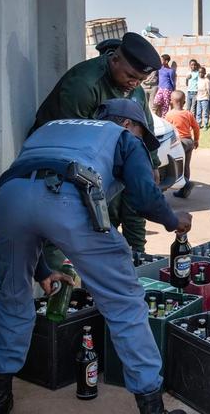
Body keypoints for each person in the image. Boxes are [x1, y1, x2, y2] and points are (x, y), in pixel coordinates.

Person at [0, 98, 191, 414]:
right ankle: (152, 408)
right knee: (124, 303)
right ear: (127, 124)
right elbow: (145, 197)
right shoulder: (122, 137)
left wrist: (41, 272)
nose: (139, 141)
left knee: (13, 296)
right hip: (70, 199)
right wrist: (175, 221)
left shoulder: (53, 127)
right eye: (140, 133)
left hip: (10, 196)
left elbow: (32, 196)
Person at [30, 33, 162, 265]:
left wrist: (150, 164)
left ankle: (132, 265)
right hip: (59, 162)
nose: (134, 83)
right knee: (66, 223)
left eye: (140, 79)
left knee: (127, 210)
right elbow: (69, 144)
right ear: (115, 59)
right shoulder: (84, 85)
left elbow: (145, 128)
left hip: (103, 161)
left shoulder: (135, 89)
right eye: (131, 76)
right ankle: (59, 284)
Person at [165, 90, 200, 198]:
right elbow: (196, 127)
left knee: (174, 165)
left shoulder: (169, 115)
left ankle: (186, 185)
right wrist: (196, 140)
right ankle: (184, 189)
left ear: (171, 102)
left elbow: (167, 130)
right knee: (186, 166)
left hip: (179, 143)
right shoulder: (188, 114)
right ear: (184, 102)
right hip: (189, 142)